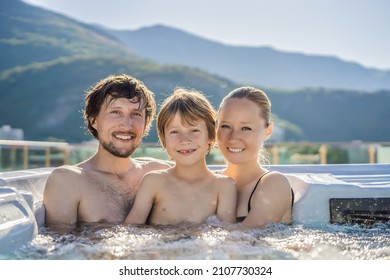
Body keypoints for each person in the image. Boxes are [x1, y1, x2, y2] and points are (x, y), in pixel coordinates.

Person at [43, 74, 171, 229]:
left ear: (146, 124)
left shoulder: (162, 173)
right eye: (116, 112)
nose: (126, 124)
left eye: (136, 114)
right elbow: (59, 249)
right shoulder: (68, 181)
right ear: (94, 120)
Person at [125, 88, 237, 225]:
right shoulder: (154, 181)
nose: (184, 140)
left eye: (194, 130)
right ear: (163, 139)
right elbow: (130, 230)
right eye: (174, 132)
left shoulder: (224, 186)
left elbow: (229, 238)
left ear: (210, 136)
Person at [216, 86, 294, 229]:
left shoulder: (274, 183)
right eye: (226, 126)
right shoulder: (210, 181)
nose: (233, 138)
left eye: (246, 128)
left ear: (268, 131)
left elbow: (244, 241)